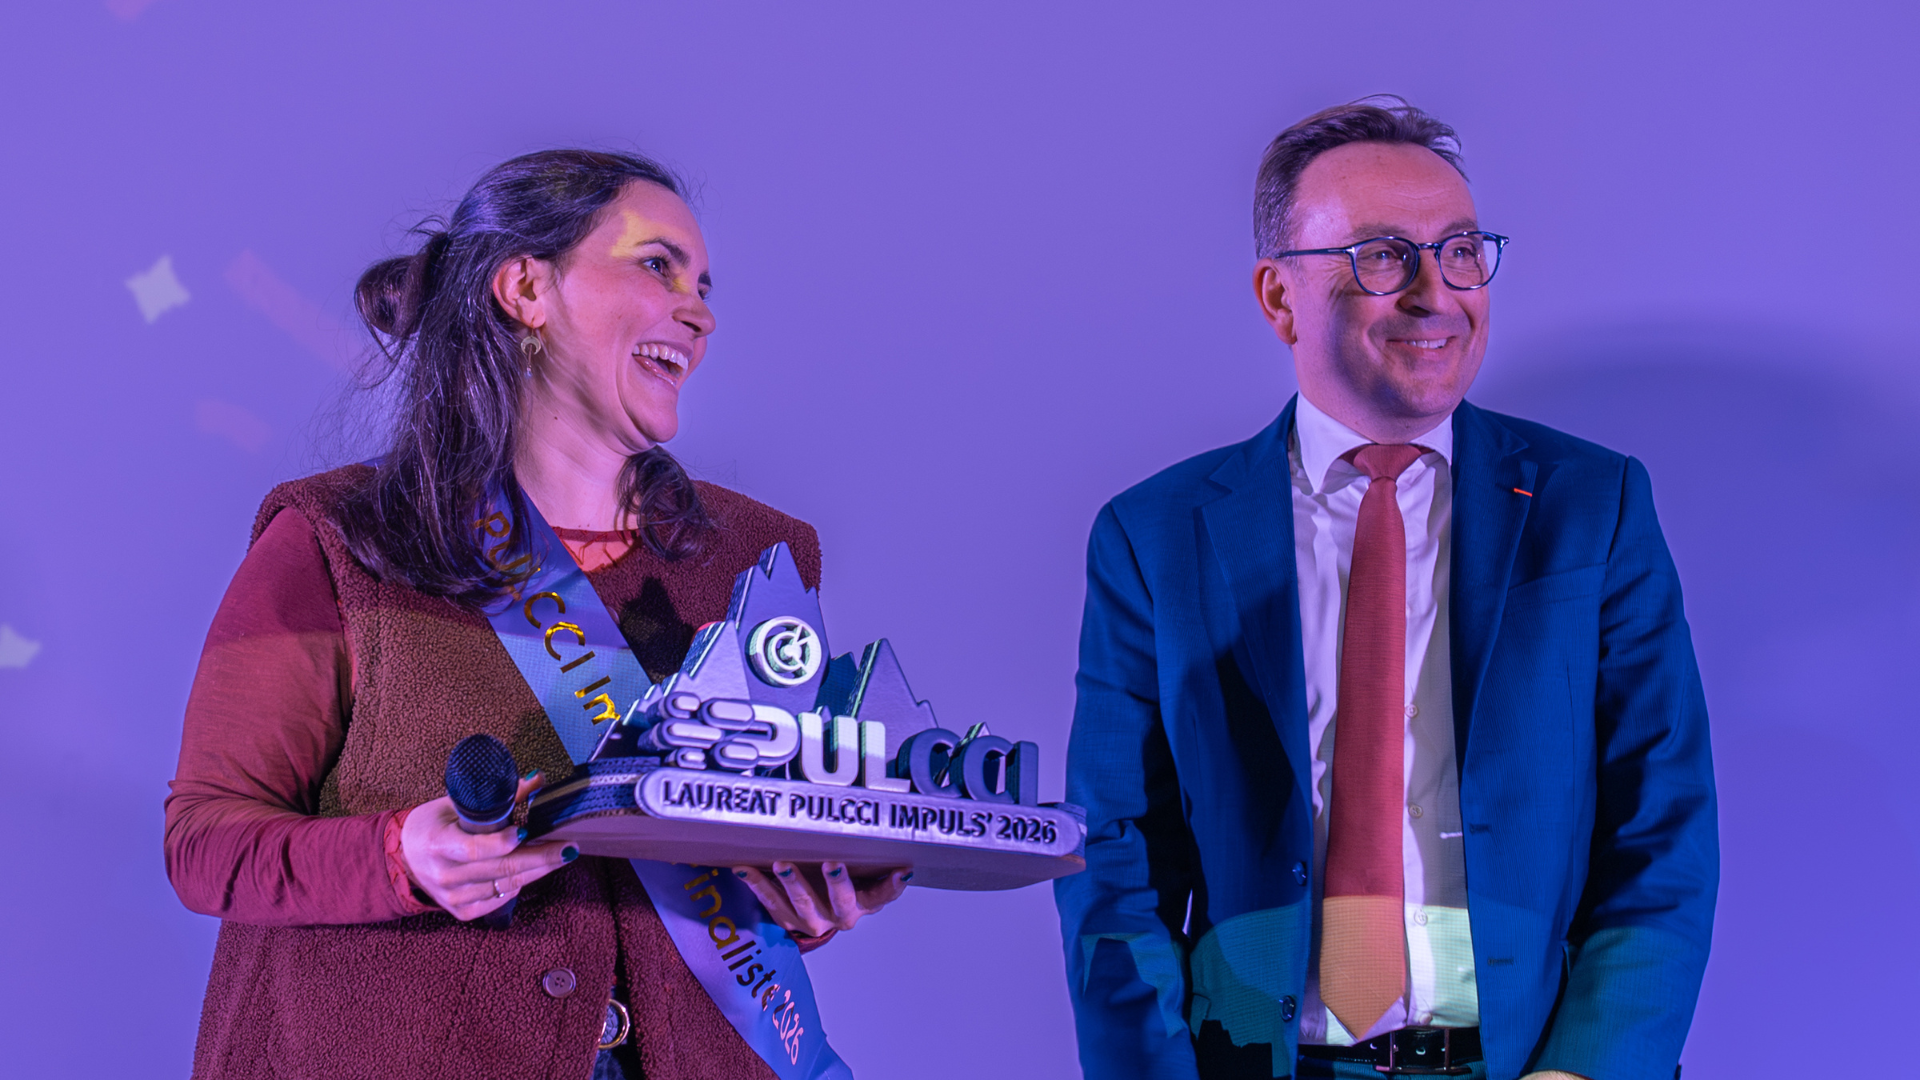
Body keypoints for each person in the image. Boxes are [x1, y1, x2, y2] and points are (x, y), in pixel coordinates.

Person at [165, 149, 906, 1080]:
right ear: (525, 288)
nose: (700, 313)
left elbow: (738, 869)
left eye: (704, 286)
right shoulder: (339, 537)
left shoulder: (758, 558)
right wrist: (400, 857)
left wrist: (808, 891)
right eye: (658, 265)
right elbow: (206, 844)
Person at [1054, 98, 1716, 1080]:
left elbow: (1664, 827)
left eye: (1461, 251)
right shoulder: (1155, 538)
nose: (1435, 293)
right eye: (1382, 257)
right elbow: (1115, 865)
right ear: (1279, 297)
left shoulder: (1593, 507)